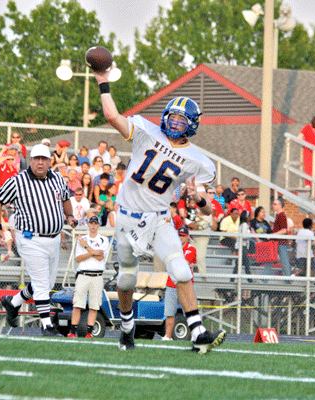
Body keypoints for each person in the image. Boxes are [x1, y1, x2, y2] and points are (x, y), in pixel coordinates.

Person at [92, 69, 226, 353]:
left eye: (181, 120)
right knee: (127, 278)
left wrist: (195, 197)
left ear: (191, 125)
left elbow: (208, 211)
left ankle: (198, 332)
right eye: (172, 117)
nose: (174, 122)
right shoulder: (144, 130)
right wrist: (103, 81)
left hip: (159, 219)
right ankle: (127, 328)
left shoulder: (198, 161)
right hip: (127, 217)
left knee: (180, 269)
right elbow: (112, 117)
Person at [0, 144, 76, 336]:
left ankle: (13, 302)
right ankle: (46, 325)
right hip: (30, 238)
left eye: (44, 159)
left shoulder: (57, 178)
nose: (40, 162)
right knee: (41, 283)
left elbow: (65, 198)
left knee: (46, 283)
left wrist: (70, 216)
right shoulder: (18, 181)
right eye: (36, 159)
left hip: (54, 239)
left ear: (50, 161)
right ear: (30, 160)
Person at [67, 215, 109, 338]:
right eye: (92, 223)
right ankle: (72, 331)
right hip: (84, 274)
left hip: (97, 275)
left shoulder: (102, 240)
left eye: (96, 223)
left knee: (94, 305)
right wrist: (93, 252)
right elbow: (78, 258)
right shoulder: (83, 238)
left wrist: (86, 247)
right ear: (88, 225)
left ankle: (89, 332)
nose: (93, 226)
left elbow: (101, 256)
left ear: (99, 225)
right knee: (78, 304)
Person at [163, 226, 197, 340]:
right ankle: (168, 336)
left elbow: (183, 264)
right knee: (169, 312)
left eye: (183, 236)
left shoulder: (191, 249)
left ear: (187, 237)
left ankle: (193, 335)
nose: (181, 237)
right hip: (172, 283)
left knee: (189, 311)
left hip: (185, 284)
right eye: (179, 235)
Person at [264, 198, 292, 277]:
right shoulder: (278, 215)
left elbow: (284, 230)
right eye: (273, 204)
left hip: (281, 242)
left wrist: (273, 235)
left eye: (275, 204)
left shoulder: (282, 215)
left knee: (284, 261)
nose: (273, 205)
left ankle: (288, 278)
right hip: (276, 242)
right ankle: (264, 278)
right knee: (270, 259)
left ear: (280, 205)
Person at [298, 116, 315, 188]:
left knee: (314, 167)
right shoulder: (307, 127)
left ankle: (311, 183)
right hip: (308, 150)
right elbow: (300, 135)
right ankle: (307, 184)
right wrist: (300, 138)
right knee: (307, 167)